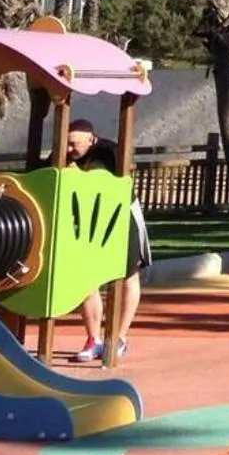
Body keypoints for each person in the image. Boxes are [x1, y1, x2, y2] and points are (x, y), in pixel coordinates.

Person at [64, 118, 149, 364]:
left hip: (121, 216)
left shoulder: (109, 152)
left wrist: (78, 175)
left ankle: (119, 337)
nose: (70, 150)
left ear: (91, 139)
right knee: (87, 277)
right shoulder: (64, 157)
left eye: (74, 144)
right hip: (89, 223)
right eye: (67, 144)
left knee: (128, 275)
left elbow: (110, 182)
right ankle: (93, 339)